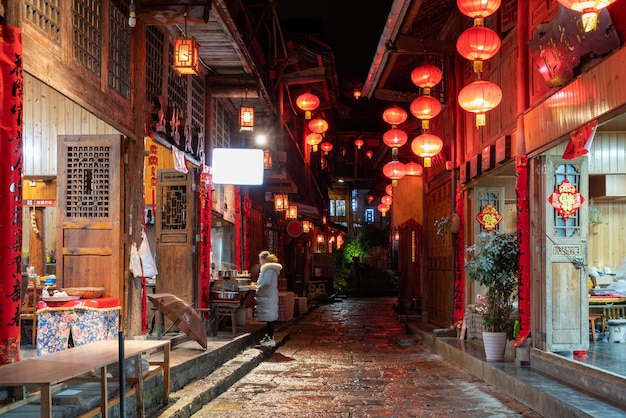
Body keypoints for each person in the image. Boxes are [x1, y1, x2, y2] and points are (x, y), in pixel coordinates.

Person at [255, 250, 282, 347]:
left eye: (260, 260)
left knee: (270, 318)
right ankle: (268, 338)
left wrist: (258, 288)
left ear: (264, 260)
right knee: (269, 318)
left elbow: (265, 283)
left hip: (268, 296)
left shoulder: (269, 270)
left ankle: (270, 338)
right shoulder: (270, 269)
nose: (260, 262)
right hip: (269, 296)